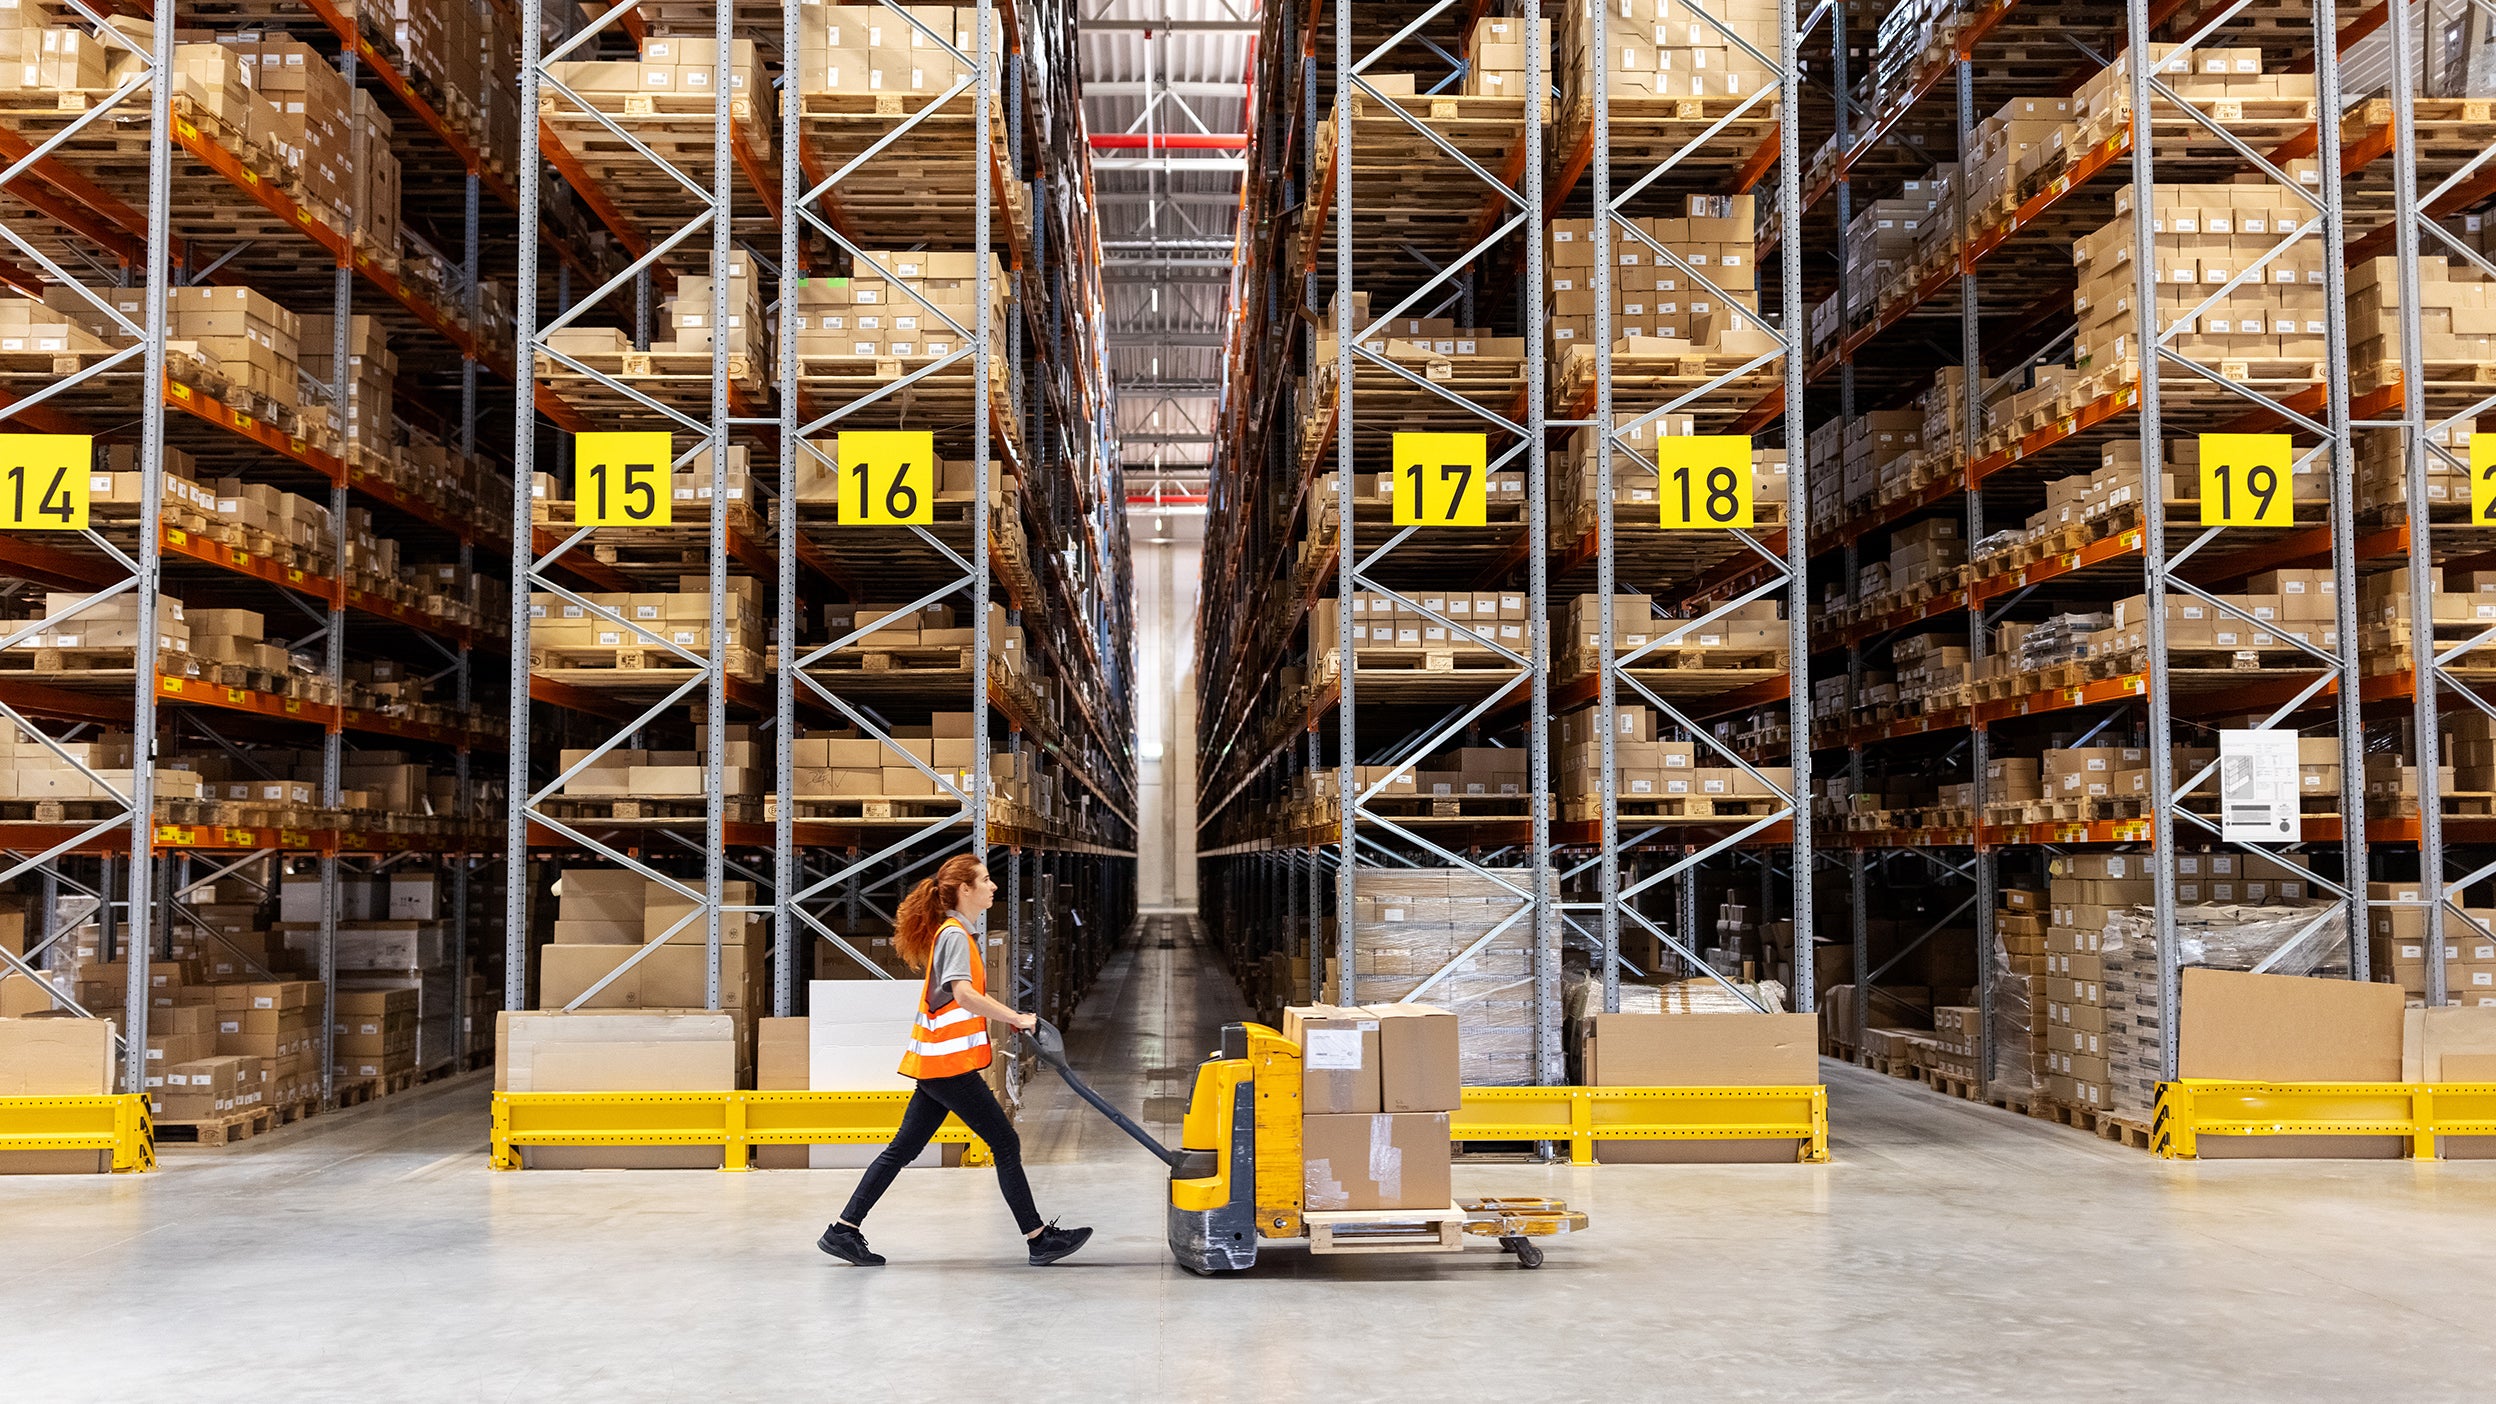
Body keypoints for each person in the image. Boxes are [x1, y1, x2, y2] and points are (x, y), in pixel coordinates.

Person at [817, 855, 1092, 1267]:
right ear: (965, 889)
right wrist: (1016, 1018)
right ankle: (1038, 1239)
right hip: (948, 1066)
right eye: (985, 880)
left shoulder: (955, 933)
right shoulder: (955, 936)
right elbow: (963, 994)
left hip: (938, 1065)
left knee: (902, 1149)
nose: (993, 886)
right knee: (1005, 1142)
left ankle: (843, 1230)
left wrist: (1009, 1019)